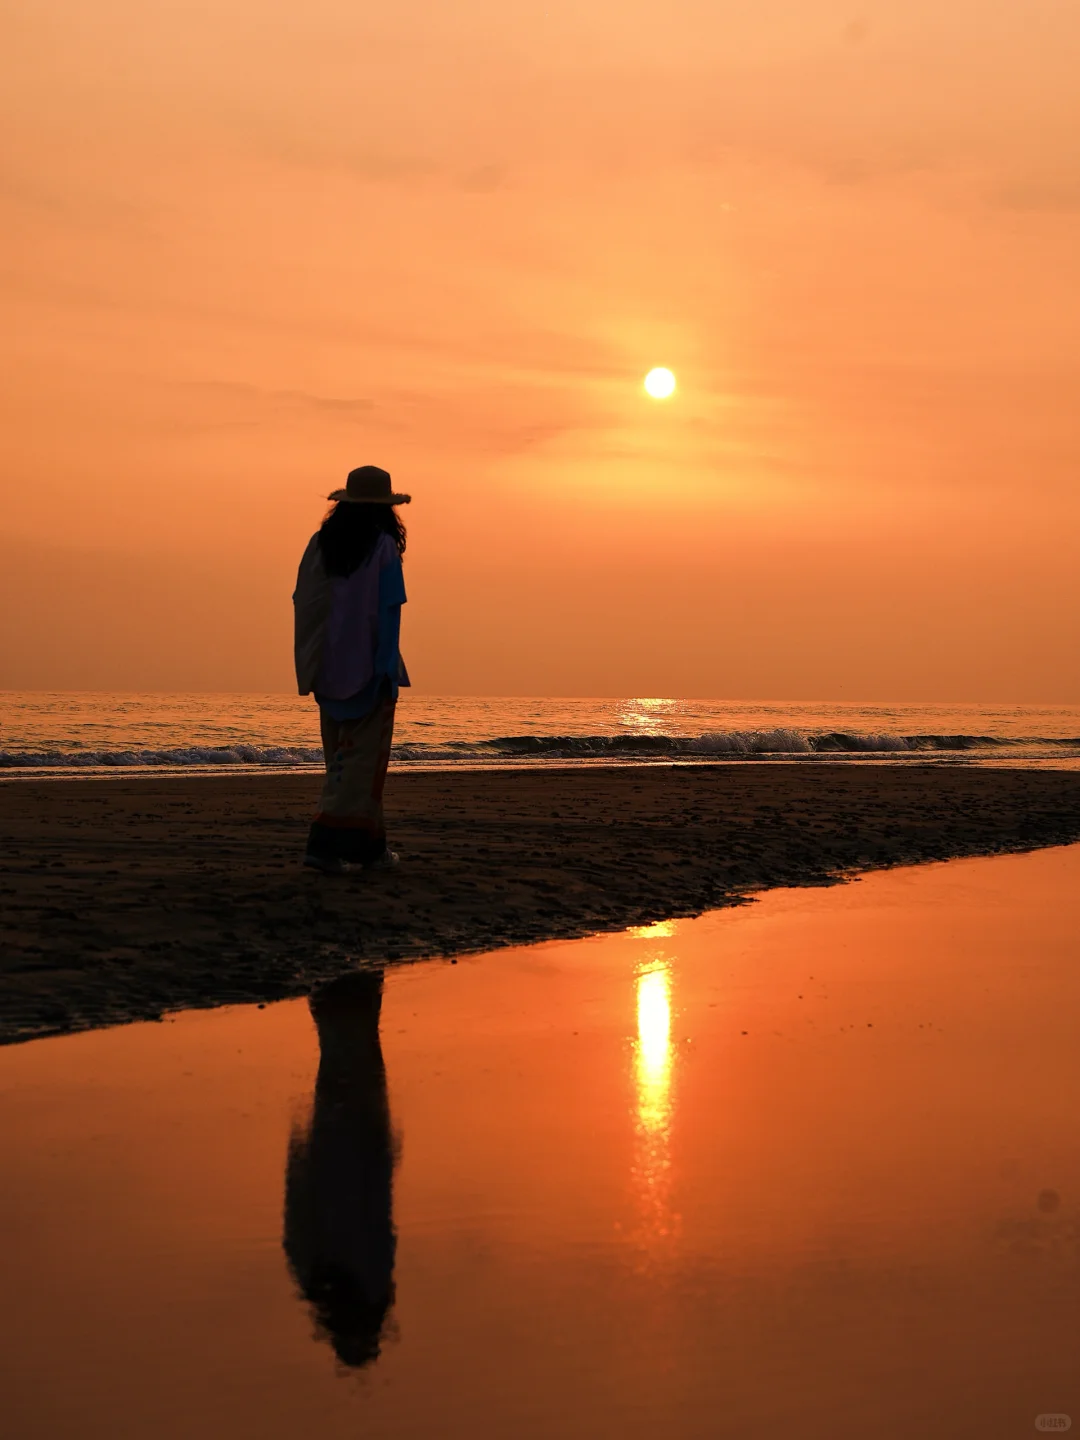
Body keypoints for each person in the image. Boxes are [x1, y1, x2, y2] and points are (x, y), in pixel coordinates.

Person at [293, 465, 411, 875]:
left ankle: (371, 849)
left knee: (345, 762)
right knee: (361, 766)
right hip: (368, 669)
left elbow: (303, 601)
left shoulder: (320, 544)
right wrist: (385, 667)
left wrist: (309, 664)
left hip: (327, 668)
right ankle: (322, 844)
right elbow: (389, 609)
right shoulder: (382, 547)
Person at [283, 969, 398, 1368]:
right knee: (349, 1063)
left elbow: (378, 1216)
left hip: (350, 1158)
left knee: (350, 1062)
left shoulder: (339, 1282)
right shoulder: (327, 1281)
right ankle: (345, 984)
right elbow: (378, 1215)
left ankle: (346, 983)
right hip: (349, 1159)